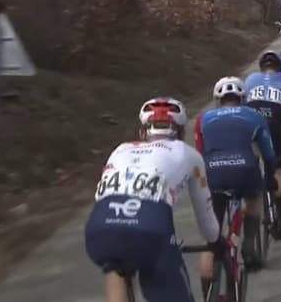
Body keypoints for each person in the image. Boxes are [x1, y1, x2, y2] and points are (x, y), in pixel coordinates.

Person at [85, 97, 223, 302]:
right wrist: (215, 242)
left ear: (142, 132)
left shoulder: (120, 150)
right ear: (181, 132)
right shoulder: (189, 154)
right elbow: (206, 219)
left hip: (99, 229)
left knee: (115, 262)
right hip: (149, 230)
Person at [195, 77, 277, 279]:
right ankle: (249, 245)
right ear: (242, 98)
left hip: (213, 171)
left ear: (217, 99)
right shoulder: (253, 115)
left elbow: (199, 155)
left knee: (212, 237)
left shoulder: (203, 118)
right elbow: (268, 153)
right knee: (254, 198)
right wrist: (271, 177)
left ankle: (208, 284)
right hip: (244, 168)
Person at [243, 51, 281, 240]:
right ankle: (280, 221)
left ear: (261, 66)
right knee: (277, 170)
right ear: (280, 67)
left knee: (251, 160)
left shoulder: (250, 78)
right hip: (274, 122)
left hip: (251, 119)